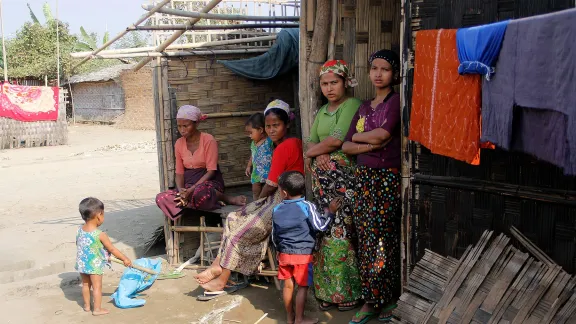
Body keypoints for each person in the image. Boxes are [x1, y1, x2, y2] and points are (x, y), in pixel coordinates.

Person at [194, 99, 305, 295]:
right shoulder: (276, 145)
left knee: (241, 229)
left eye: (276, 125)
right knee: (232, 217)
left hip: (284, 201)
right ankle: (218, 264)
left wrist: (259, 202)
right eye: (268, 126)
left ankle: (223, 280)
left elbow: (270, 185)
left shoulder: (285, 147)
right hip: (277, 196)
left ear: (287, 124)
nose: (271, 130)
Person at [342, 49, 402, 323]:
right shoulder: (364, 107)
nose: (378, 74)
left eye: (385, 69)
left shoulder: (395, 102)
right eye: (374, 68)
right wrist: (368, 142)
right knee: (365, 239)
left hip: (385, 179)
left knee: (383, 238)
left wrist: (362, 139)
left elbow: (385, 134)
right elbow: (346, 143)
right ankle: (372, 299)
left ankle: (382, 299)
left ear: (394, 73)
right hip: (364, 178)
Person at [305, 59, 363, 311]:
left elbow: (336, 140)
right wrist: (316, 154)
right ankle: (326, 293)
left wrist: (315, 153)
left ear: (345, 83)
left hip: (344, 187)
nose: (329, 88)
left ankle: (348, 293)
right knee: (324, 234)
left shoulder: (352, 105)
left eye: (334, 83)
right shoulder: (321, 112)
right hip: (322, 190)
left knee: (342, 235)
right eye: (325, 84)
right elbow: (311, 143)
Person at [272, 171, 343, 324]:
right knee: (303, 287)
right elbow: (321, 226)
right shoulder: (307, 206)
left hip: (283, 254)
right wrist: (330, 212)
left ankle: (289, 317)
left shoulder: (276, 210)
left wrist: (278, 250)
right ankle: (299, 319)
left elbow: (274, 234)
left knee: (288, 286)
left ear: (284, 193)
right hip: (303, 255)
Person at [156, 105, 246, 220]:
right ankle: (190, 202)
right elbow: (179, 172)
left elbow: (211, 171)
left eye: (186, 126)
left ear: (196, 123)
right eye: (179, 126)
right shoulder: (179, 143)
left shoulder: (208, 140)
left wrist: (191, 190)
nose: (182, 130)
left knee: (201, 193)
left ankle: (225, 198)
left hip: (208, 182)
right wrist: (180, 191)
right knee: (161, 198)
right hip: (188, 185)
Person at [75, 197, 132, 316]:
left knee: (85, 285)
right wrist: (125, 259)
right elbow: (112, 249)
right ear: (99, 215)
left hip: (82, 262)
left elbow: (78, 244)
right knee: (97, 286)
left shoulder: (79, 230)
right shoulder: (100, 234)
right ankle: (97, 309)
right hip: (94, 265)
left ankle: (86, 306)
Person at [244, 112, 274, 201]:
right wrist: (249, 166)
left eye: (251, 133)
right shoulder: (253, 144)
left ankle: (266, 204)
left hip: (268, 172)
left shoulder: (269, 141)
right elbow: (253, 155)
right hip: (256, 172)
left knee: (267, 191)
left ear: (261, 130)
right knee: (255, 190)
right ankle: (256, 203)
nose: (250, 136)